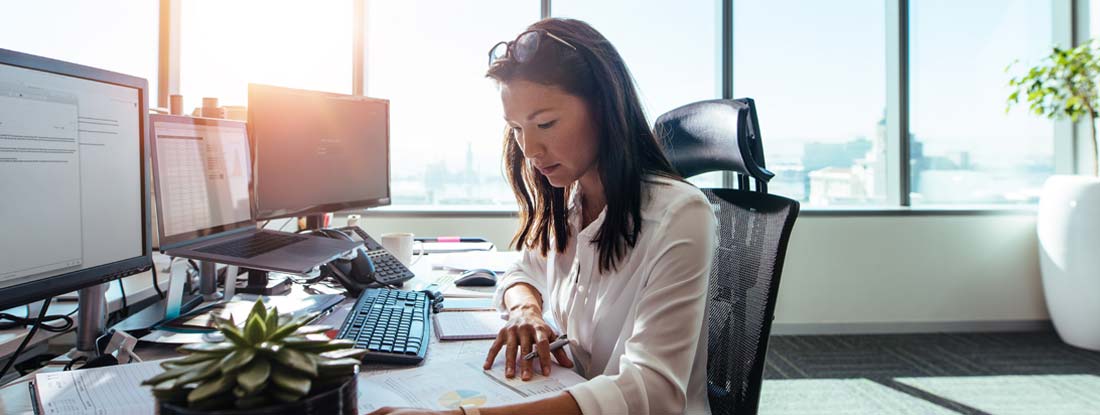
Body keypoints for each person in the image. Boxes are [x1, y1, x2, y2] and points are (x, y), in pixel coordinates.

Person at [370, 17, 716, 415]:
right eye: (516, 128)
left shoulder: (680, 215)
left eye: (545, 123)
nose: (530, 149)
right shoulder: (573, 202)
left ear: (604, 108)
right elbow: (521, 272)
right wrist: (525, 311)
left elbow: (654, 391)